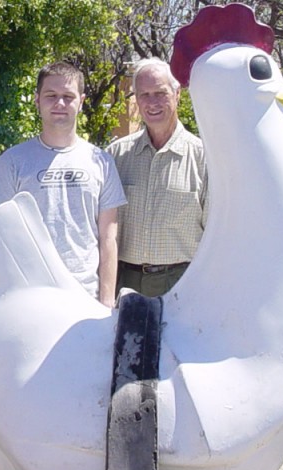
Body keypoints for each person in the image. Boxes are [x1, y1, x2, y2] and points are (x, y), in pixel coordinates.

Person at [0, 61, 126, 308]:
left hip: (85, 296)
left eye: (68, 97)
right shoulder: (13, 161)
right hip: (28, 296)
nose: (60, 103)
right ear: (37, 100)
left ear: (81, 101)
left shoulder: (100, 161)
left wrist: (106, 301)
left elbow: (108, 237)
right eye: (51, 96)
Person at [106, 57, 208, 297]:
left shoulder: (204, 158)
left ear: (177, 94)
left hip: (182, 284)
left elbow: (217, 234)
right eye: (144, 94)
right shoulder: (115, 156)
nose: (152, 103)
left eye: (160, 93)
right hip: (124, 282)